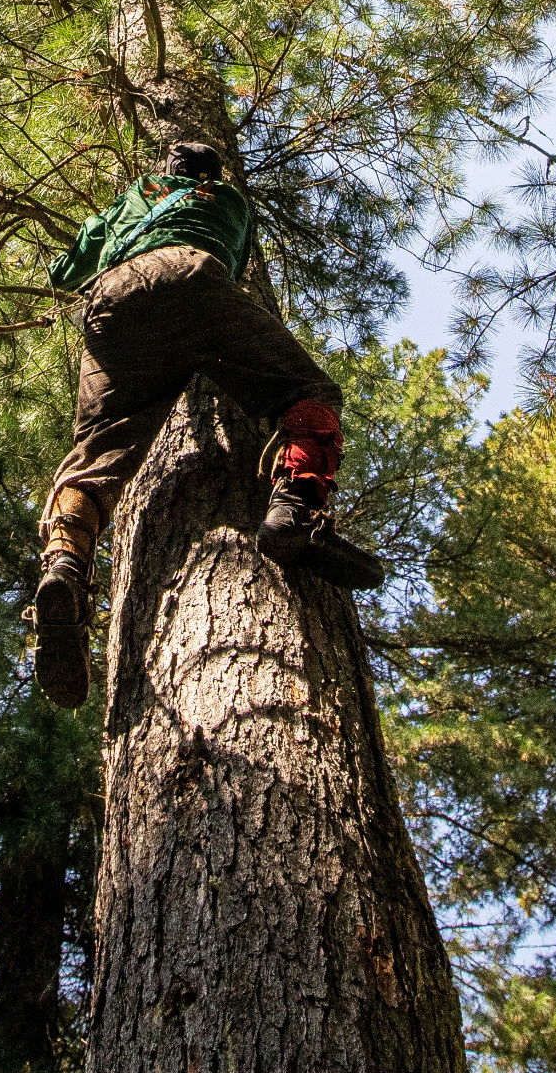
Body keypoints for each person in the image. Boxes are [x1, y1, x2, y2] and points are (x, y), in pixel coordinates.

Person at [28, 139, 386, 709]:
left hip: (111, 297)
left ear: (167, 169)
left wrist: (99, 242)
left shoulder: (133, 197)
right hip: (194, 275)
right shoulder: (230, 199)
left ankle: (66, 568)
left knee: (97, 452)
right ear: (213, 172)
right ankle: (294, 507)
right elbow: (235, 260)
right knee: (307, 392)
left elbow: (68, 268)